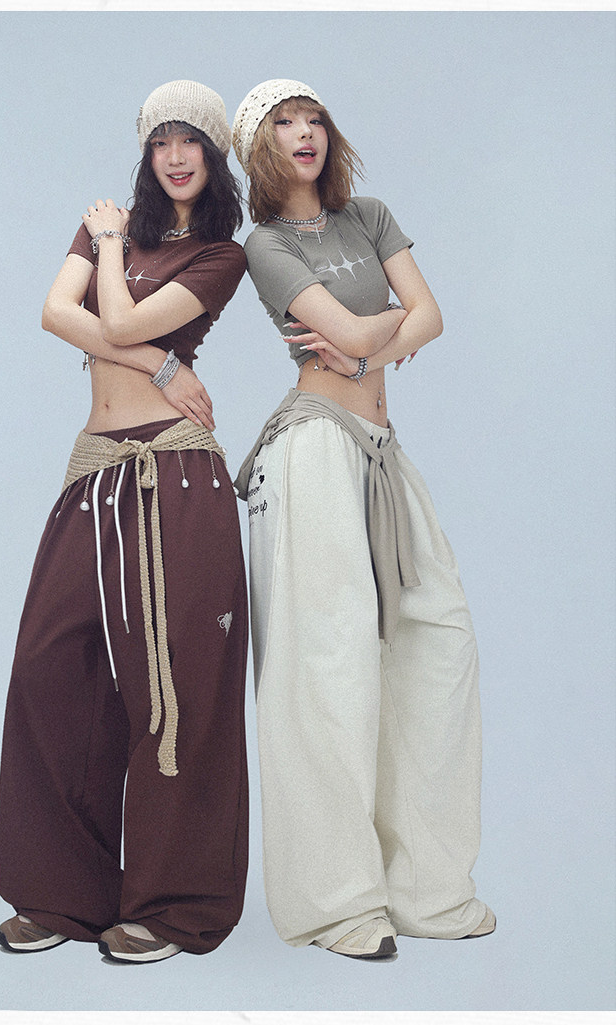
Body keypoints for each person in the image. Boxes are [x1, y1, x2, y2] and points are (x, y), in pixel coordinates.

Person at [231, 79, 494, 960]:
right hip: (312, 447)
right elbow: (373, 326)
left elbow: (432, 316)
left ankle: (426, 888)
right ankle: (339, 903)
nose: (304, 133)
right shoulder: (265, 244)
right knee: (327, 665)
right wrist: (388, 327)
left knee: (436, 643)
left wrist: (366, 340)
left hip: (381, 448)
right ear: (258, 147)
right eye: (283, 123)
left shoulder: (370, 217)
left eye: (314, 119)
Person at [0, 80, 249, 965]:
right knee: (52, 668)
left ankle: (173, 905)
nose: (176, 156)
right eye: (161, 141)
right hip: (97, 471)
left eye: (192, 142)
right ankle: (63, 893)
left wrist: (109, 248)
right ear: (146, 152)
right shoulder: (107, 228)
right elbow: (52, 314)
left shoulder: (221, 253)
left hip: (176, 469)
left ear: (213, 157)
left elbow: (116, 315)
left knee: (176, 686)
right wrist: (165, 364)